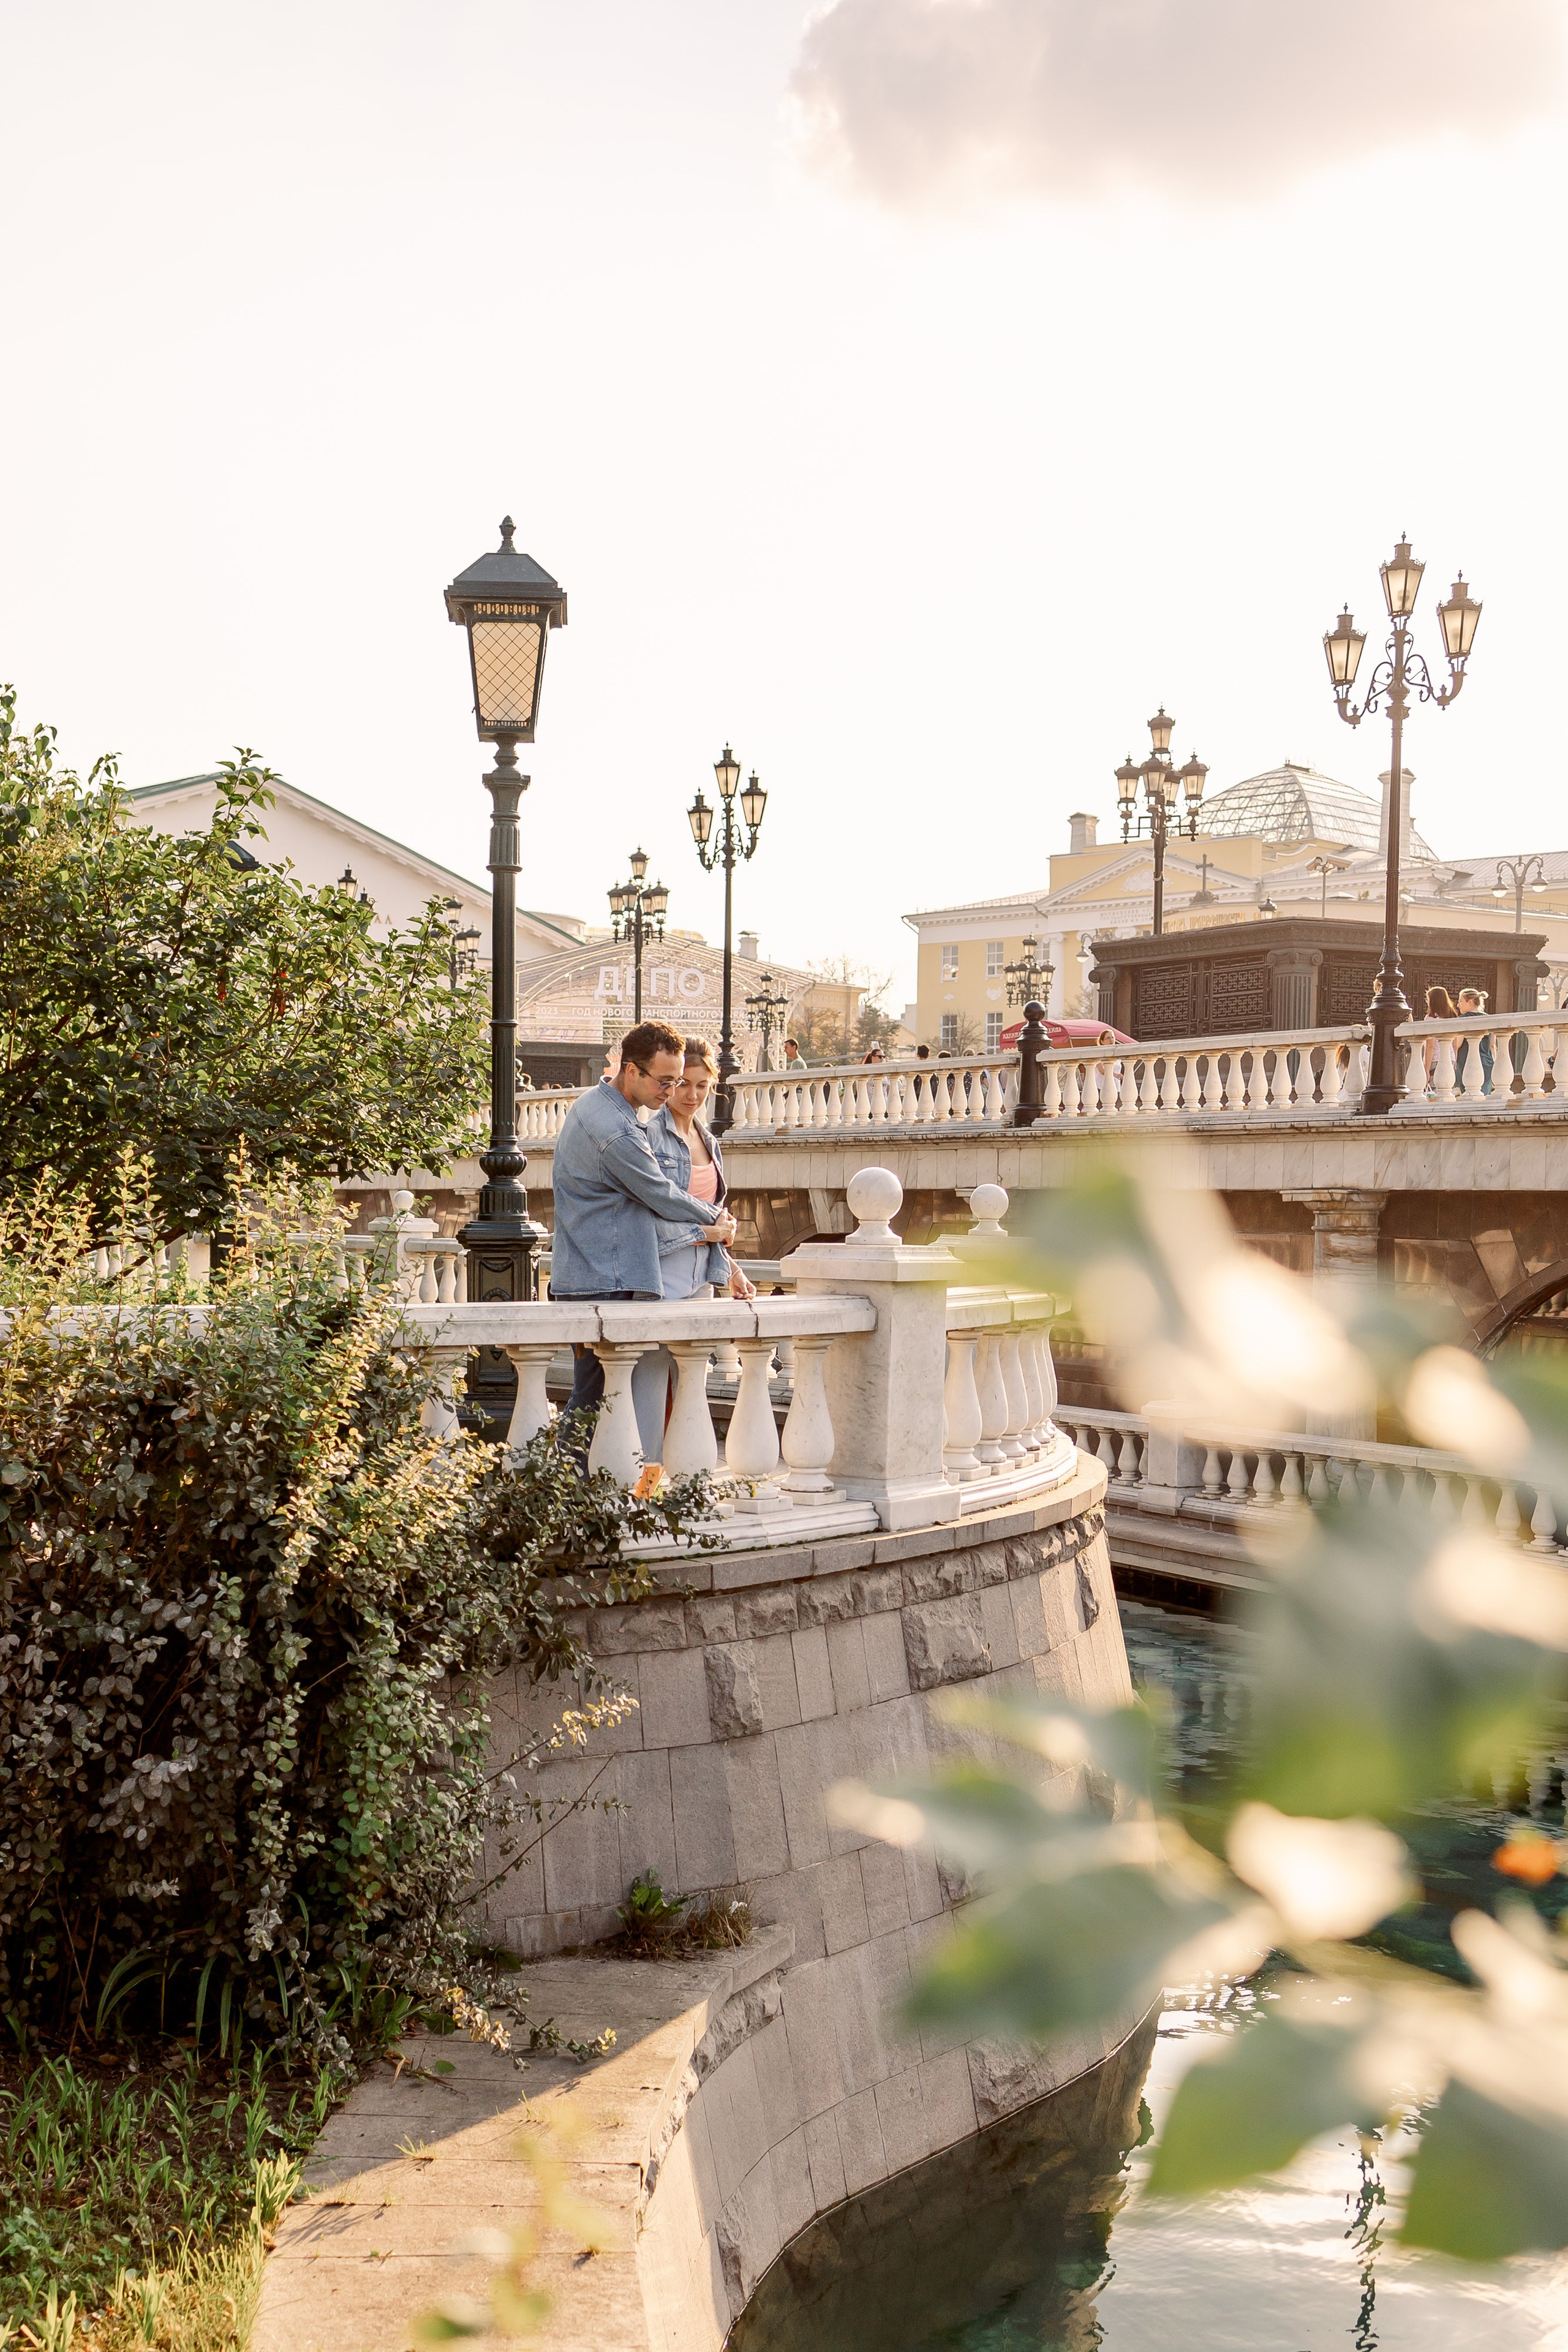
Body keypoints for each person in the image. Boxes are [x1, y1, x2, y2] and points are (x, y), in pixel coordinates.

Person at [551, 1018, 737, 1449]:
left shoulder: (604, 1106)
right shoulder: (617, 1130)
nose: (671, 1093)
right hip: (605, 1279)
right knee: (599, 1404)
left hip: (603, 1273)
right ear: (632, 1070)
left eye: (682, 1083)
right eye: (666, 1081)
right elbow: (659, 1192)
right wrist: (715, 1222)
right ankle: (575, 1501)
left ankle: (580, 1499)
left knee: (598, 1403)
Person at [1456, 987, 1494, 1096]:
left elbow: (1458, 1045)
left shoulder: (1463, 1019)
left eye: (1461, 1001)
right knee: (1484, 1096)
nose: (1458, 1005)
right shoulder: (1489, 1018)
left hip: (1467, 1062)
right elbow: (1492, 1045)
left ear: (1470, 1002)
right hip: (1486, 1062)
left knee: (1468, 1096)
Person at [1423, 986, 1458, 1093]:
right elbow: (1455, 1045)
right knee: (1446, 1092)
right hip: (1450, 1057)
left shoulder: (1431, 1019)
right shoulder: (1453, 1017)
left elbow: (1431, 1046)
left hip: (1435, 1059)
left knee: (1434, 1092)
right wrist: (1455, 1061)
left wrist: (1427, 1069)